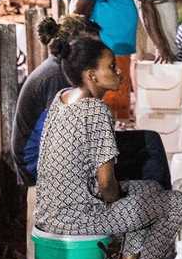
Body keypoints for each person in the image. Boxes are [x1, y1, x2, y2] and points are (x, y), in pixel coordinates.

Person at [34, 35, 182, 259]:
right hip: (78, 218)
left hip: (50, 211)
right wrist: (122, 203)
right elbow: (106, 185)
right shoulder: (96, 111)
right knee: (175, 203)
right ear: (92, 75)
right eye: (112, 67)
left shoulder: (62, 98)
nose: (118, 72)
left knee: (148, 189)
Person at [11, 15, 171, 190]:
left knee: (146, 141)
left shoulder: (62, 70)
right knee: (146, 146)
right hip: (36, 164)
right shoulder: (57, 76)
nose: (98, 50)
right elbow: (67, 142)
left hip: (54, 155)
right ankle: (157, 205)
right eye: (93, 46)